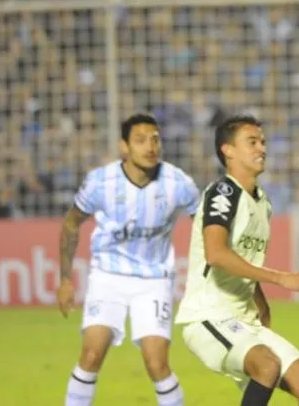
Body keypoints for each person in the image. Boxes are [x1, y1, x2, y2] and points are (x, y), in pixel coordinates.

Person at [175, 115, 299, 406]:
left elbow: (244, 261)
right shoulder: (224, 192)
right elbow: (216, 254)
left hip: (245, 321)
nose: (262, 149)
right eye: (252, 142)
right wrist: (281, 278)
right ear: (227, 150)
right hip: (209, 317)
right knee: (266, 365)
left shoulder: (263, 203)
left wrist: (261, 305)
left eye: (263, 142)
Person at [58, 113, 200, 406]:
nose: (150, 146)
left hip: (155, 279)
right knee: (91, 355)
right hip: (108, 276)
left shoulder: (178, 182)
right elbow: (71, 224)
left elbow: (205, 228)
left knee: (156, 363)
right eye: (140, 140)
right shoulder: (101, 182)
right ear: (124, 147)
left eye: (155, 139)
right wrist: (64, 279)